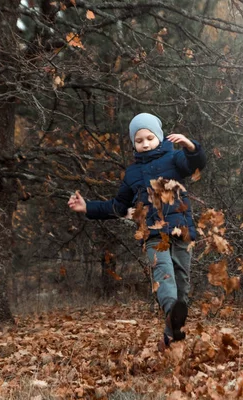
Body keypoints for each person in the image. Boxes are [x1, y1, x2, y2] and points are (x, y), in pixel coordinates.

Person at [68, 112, 206, 350]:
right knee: (164, 278)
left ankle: (170, 336)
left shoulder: (175, 159)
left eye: (150, 138)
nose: (145, 144)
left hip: (181, 233)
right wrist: (87, 207)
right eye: (139, 140)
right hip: (153, 236)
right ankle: (172, 313)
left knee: (182, 287)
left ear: (159, 137)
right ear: (134, 143)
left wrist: (190, 146)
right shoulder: (132, 174)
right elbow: (118, 206)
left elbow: (196, 163)